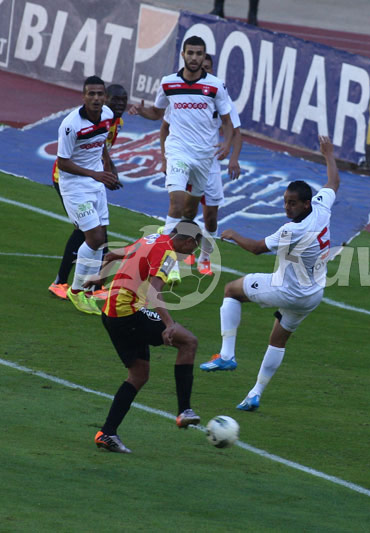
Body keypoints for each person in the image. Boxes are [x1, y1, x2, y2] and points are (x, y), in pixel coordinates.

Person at [199, 136, 339, 412]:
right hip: (312, 295)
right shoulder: (322, 207)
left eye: (292, 204)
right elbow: (333, 183)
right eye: (286, 202)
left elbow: (255, 249)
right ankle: (255, 394)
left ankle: (227, 355)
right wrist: (329, 154)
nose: (287, 208)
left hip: (285, 290)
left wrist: (233, 235)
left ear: (306, 204)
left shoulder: (292, 231)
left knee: (230, 290)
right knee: (278, 339)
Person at [89, 220, 205, 453]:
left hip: (112, 313)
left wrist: (100, 277)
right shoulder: (168, 253)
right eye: (194, 248)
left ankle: (107, 433)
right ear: (190, 241)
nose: (191, 253)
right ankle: (184, 411)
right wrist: (169, 323)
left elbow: (112, 254)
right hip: (127, 314)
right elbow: (154, 291)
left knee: (139, 375)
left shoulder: (151, 238)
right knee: (189, 342)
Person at [129, 36, 234, 244]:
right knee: (176, 204)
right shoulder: (169, 83)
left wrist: (227, 143)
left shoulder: (215, 86)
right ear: (183, 54)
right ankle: (161, 256)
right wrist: (143, 112)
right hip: (178, 151)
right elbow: (158, 113)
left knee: (189, 210)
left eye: (199, 53)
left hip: (204, 156)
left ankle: (182, 252)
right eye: (191, 53)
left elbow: (228, 121)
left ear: (204, 56)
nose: (194, 58)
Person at [160, 53, 243, 276]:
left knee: (211, 217)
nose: (201, 70)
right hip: (186, 157)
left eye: (206, 67)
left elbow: (235, 130)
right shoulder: (180, 94)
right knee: (184, 210)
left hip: (211, 163)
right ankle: (174, 257)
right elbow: (164, 125)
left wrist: (233, 157)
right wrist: (164, 157)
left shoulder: (219, 95)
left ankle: (204, 257)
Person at [49, 84, 128, 300]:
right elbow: (63, 162)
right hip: (69, 180)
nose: (120, 105)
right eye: (116, 100)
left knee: (97, 234)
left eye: (124, 100)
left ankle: (90, 287)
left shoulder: (111, 119)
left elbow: (100, 144)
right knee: (88, 233)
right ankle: (65, 284)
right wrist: (98, 173)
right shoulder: (71, 125)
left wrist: (108, 167)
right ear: (84, 96)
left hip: (94, 180)